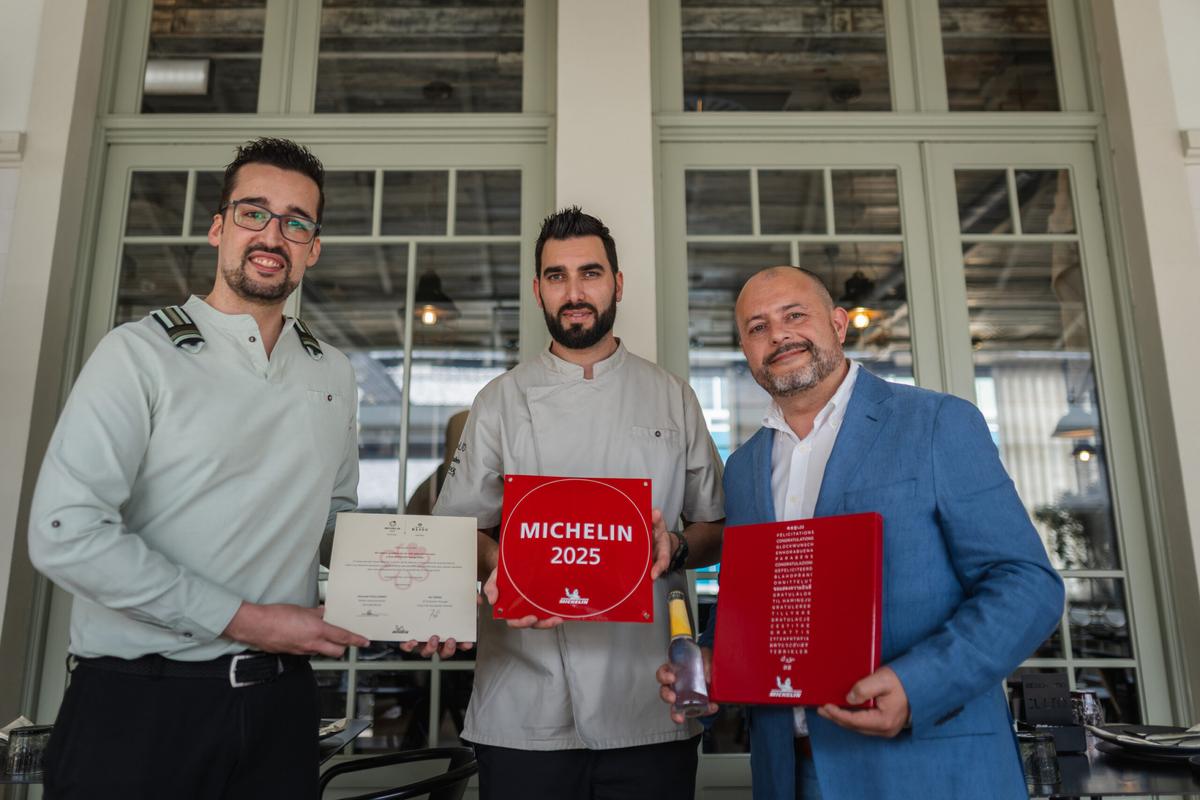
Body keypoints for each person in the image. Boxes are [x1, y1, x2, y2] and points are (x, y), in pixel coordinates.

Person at [28, 137, 369, 799]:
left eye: (297, 222)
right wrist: (245, 619)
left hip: (280, 710)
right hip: (141, 707)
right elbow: (65, 532)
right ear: (218, 228)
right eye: (253, 213)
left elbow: (336, 526)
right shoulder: (138, 354)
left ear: (313, 247)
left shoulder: (333, 372)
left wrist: (411, 598)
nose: (274, 234)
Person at [656, 266, 1065, 799]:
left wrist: (918, 687)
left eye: (794, 315)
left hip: (929, 770)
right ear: (745, 349)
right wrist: (714, 668)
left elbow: (1027, 585)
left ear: (839, 324)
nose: (778, 335)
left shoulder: (938, 423)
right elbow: (756, 606)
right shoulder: (745, 468)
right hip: (789, 775)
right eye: (757, 327)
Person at [429, 207, 726, 800]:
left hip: (650, 696)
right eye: (557, 276)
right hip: (523, 704)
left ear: (617, 284)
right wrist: (505, 565)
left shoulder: (672, 397)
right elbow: (458, 531)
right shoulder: (499, 402)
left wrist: (674, 545)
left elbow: (716, 527)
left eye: (589, 273)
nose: (574, 292)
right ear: (538, 290)